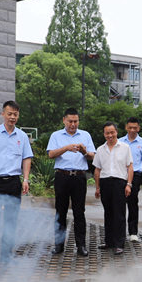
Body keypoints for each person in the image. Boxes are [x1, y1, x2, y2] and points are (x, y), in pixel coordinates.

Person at [0, 100, 33, 263]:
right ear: (3, 114)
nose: (12, 117)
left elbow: (26, 158)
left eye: (15, 114)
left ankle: (6, 255)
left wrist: (26, 179)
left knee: (11, 220)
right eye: (9, 114)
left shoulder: (22, 136)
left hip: (13, 182)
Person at [47, 108, 95, 256]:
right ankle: (59, 245)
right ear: (64, 120)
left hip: (79, 177)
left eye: (76, 121)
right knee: (60, 212)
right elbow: (51, 154)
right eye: (70, 121)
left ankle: (81, 245)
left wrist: (83, 151)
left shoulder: (85, 135)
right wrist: (66, 148)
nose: (73, 124)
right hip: (62, 176)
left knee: (79, 212)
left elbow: (92, 156)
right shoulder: (56, 135)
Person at [93, 121, 133, 255]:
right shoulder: (100, 149)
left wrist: (129, 184)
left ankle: (119, 243)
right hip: (105, 183)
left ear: (116, 132)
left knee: (119, 214)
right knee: (108, 213)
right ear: (104, 134)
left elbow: (130, 167)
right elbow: (97, 170)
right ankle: (109, 241)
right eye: (107, 133)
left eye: (112, 132)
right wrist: (97, 187)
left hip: (119, 183)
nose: (110, 135)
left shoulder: (125, 147)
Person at [119, 117, 142, 242]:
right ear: (126, 127)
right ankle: (119, 231)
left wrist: (136, 171)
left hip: (135, 175)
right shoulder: (120, 141)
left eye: (135, 128)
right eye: (130, 127)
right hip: (120, 174)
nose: (132, 130)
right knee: (119, 203)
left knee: (132, 203)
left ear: (139, 128)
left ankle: (133, 232)